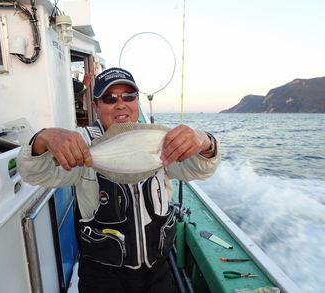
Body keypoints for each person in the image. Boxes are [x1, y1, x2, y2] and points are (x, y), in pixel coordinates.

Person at [17, 67, 220, 293]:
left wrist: (204, 141)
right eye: (109, 98)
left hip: (157, 272)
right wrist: (42, 139)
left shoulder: (161, 138)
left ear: (137, 101)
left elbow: (201, 169)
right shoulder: (82, 145)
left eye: (129, 96)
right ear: (95, 106)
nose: (120, 103)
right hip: (102, 277)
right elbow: (32, 173)